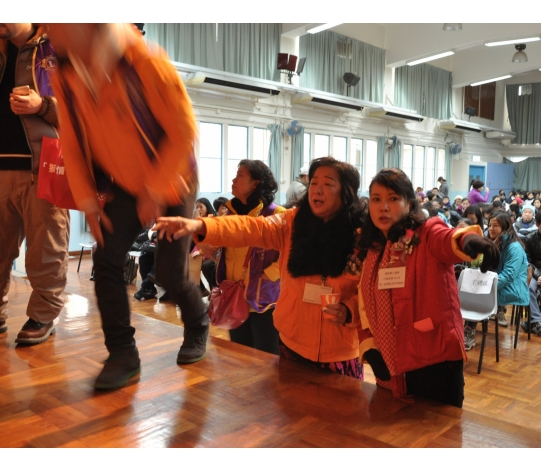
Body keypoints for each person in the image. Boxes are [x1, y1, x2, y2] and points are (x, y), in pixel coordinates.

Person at [46, 23, 209, 389]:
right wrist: (88, 201)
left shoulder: (145, 62)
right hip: (124, 183)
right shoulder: (66, 75)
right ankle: (122, 353)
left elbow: (184, 131)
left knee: (169, 273)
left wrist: (153, 189)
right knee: (105, 260)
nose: (52, 30)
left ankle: (198, 323)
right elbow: (72, 142)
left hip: (172, 177)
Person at [155, 157, 367, 379]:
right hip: (293, 343)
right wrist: (201, 225)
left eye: (328, 184)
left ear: (347, 191)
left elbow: (367, 292)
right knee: (288, 398)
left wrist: (349, 310)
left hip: (339, 350)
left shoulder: (361, 236)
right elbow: (250, 228)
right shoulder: (292, 223)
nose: (318, 190)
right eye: (314, 183)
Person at [356, 168, 499, 406]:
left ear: (410, 204)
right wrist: (370, 348)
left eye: (393, 199)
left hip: (433, 360)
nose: (383, 207)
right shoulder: (372, 248)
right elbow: (361, 303)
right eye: (376, 199)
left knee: (438, 428)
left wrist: (468, 239)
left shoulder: (425, 233)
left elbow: (446, 238)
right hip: (387, 364)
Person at [0, 23, 70, 344]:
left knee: (46, 249)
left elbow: (83, 111)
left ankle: (43, 315)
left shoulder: (58, 47)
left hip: (43, 166)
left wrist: (42, 106)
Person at [215, 160, 285, 355]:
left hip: (264, 299)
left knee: (267, 357)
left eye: (240, 175)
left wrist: (271, 274)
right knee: (240, 355)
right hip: (233, 296)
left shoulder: (275, 214)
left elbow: (293, 251)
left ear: (255, 183)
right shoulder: (228, 215)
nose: (233, 180)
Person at [464, 211, 529, 350]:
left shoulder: (514, 247)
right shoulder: (492, 242)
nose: (491, 228)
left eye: (495, 226)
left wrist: (485, 286)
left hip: (512, 287)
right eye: (489, 225)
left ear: (505, 227)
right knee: (467, 290)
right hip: (495, 283)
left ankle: (469, 331)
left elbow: (509, 276)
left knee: (477, 296)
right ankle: (464, 328)